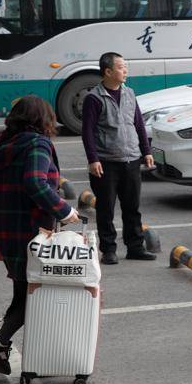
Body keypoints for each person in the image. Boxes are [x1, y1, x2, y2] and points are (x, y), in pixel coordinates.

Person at [0, 96, 79, 375]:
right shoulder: (37, 143)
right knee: (37, 292)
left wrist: (8, 197)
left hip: (6, 229)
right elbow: (35, 182)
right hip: (34, 231)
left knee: (24, 290)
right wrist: (63, 210)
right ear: (41, 119)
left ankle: (10, 348)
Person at [81, 52, 155, 265]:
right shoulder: (94, 98)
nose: (125, 71)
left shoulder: (130, 93)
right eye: (121, 67)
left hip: (131, 159)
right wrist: (93, 159)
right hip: (105, 162)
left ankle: (135, 247)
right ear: (108, 71)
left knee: (132, 207)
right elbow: (87, 131)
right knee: (105, 208)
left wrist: (146, 151)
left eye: (125, 66)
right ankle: (109, 250)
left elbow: (138, 124)